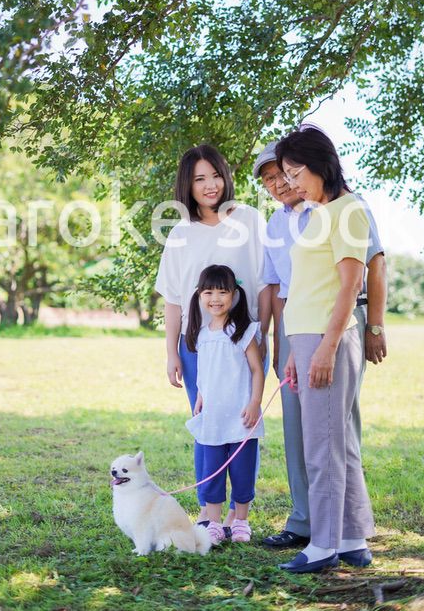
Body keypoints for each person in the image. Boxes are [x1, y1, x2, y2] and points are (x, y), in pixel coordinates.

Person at [252, 142, 387, 550]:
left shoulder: (343, 207)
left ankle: (345, 532)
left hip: (337, 323)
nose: (280, 184)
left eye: (287, 173)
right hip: (299, 328)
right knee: (301, 428)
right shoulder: (275, 225)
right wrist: (279, 343)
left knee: (336, 428)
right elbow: (277, 289)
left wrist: (374, 327)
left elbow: (372, 266)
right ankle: (307, 520)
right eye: (272, 180)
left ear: (308, 168)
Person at [275, 126, 375, 574]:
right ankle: (353, 537)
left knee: (322, 447)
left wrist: (325, 349)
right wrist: (299, 352)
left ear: (321, 165)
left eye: (296, 172)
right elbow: (309, 288)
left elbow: (351, 285)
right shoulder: (321, 212)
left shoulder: (348, 210)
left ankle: (323, 545)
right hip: (308, 338)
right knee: (337, 444)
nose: (291, 183)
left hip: (326, 338)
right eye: (286, 174)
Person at [155, 144, 270, 526]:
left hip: (243, 345)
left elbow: (265, 283)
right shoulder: (180, 235)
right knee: (208, 427)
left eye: (216, 175)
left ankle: (241, 516)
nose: (210, 185)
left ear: (226, 176)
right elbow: (173, 300)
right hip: (196, 348)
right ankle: (209, 511)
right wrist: (171, 352)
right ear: (187, 185)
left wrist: (264, 333)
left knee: (241, 427)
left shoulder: (250, 219)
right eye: (200, 178)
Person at [184, 264, 265, 545]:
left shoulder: (241, 330)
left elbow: (257, 370)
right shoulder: (202, 333)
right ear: (199, 295)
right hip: (214, 418)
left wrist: (255, 403)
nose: (215, 298)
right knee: (212, 473)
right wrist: (201, 396)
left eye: (222, 291)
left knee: (242, 473)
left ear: (234, 294)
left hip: (241, 416)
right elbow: (205, 372)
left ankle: (241, 522)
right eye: (208, 292)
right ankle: (215, 524)